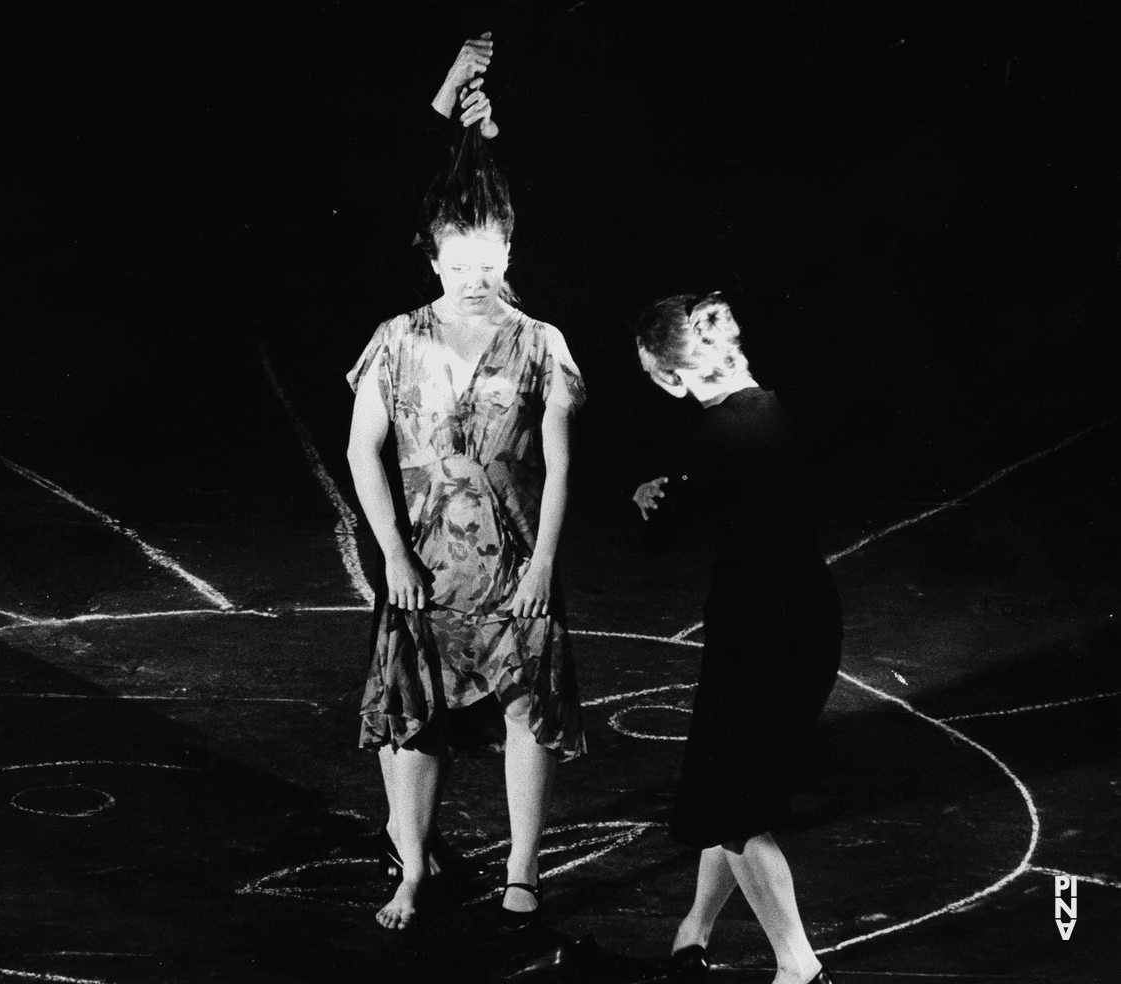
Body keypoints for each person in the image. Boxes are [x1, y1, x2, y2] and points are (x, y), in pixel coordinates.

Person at [346, 33, 586, 933]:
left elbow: (560, 462)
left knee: (528, 704)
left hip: (515, 561)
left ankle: (523, 870)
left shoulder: (539, 337)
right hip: (427, 564)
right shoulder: (397, 332)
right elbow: (364, 448)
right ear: (434, 257)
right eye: (460, 263)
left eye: (491, 262)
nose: (477, 279)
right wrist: (395, 556)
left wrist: (540, 569)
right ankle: (412, 866)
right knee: (416, 713)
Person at [632, 294, 839, 984]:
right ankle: (693, 932)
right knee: (729, 796)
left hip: (757, 634)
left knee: (735, 809)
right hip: (808, 623)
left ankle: (797, 965)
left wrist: (647, 500)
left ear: (669, 376)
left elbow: (659, 535)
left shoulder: (714, 438)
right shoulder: (777, 411)